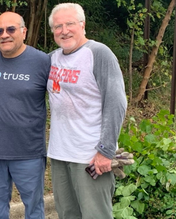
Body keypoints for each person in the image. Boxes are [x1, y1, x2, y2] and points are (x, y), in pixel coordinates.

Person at [47, 3, 127, 218]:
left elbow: (116, 103)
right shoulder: (52, 58)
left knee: (95, 215)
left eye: (70, 24)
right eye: (58, 26)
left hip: (90, 156)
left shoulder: (98, 53)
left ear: (83, 25)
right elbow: (21, 62)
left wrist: (106, 150)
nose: (64, 30)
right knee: (67, 214)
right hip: (60, 154)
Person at [0, 11, 51, 219]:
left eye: (11, 29)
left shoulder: (42, 61)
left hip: (29, 152)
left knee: (34, 208)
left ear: (24, 31)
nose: (5, 35)